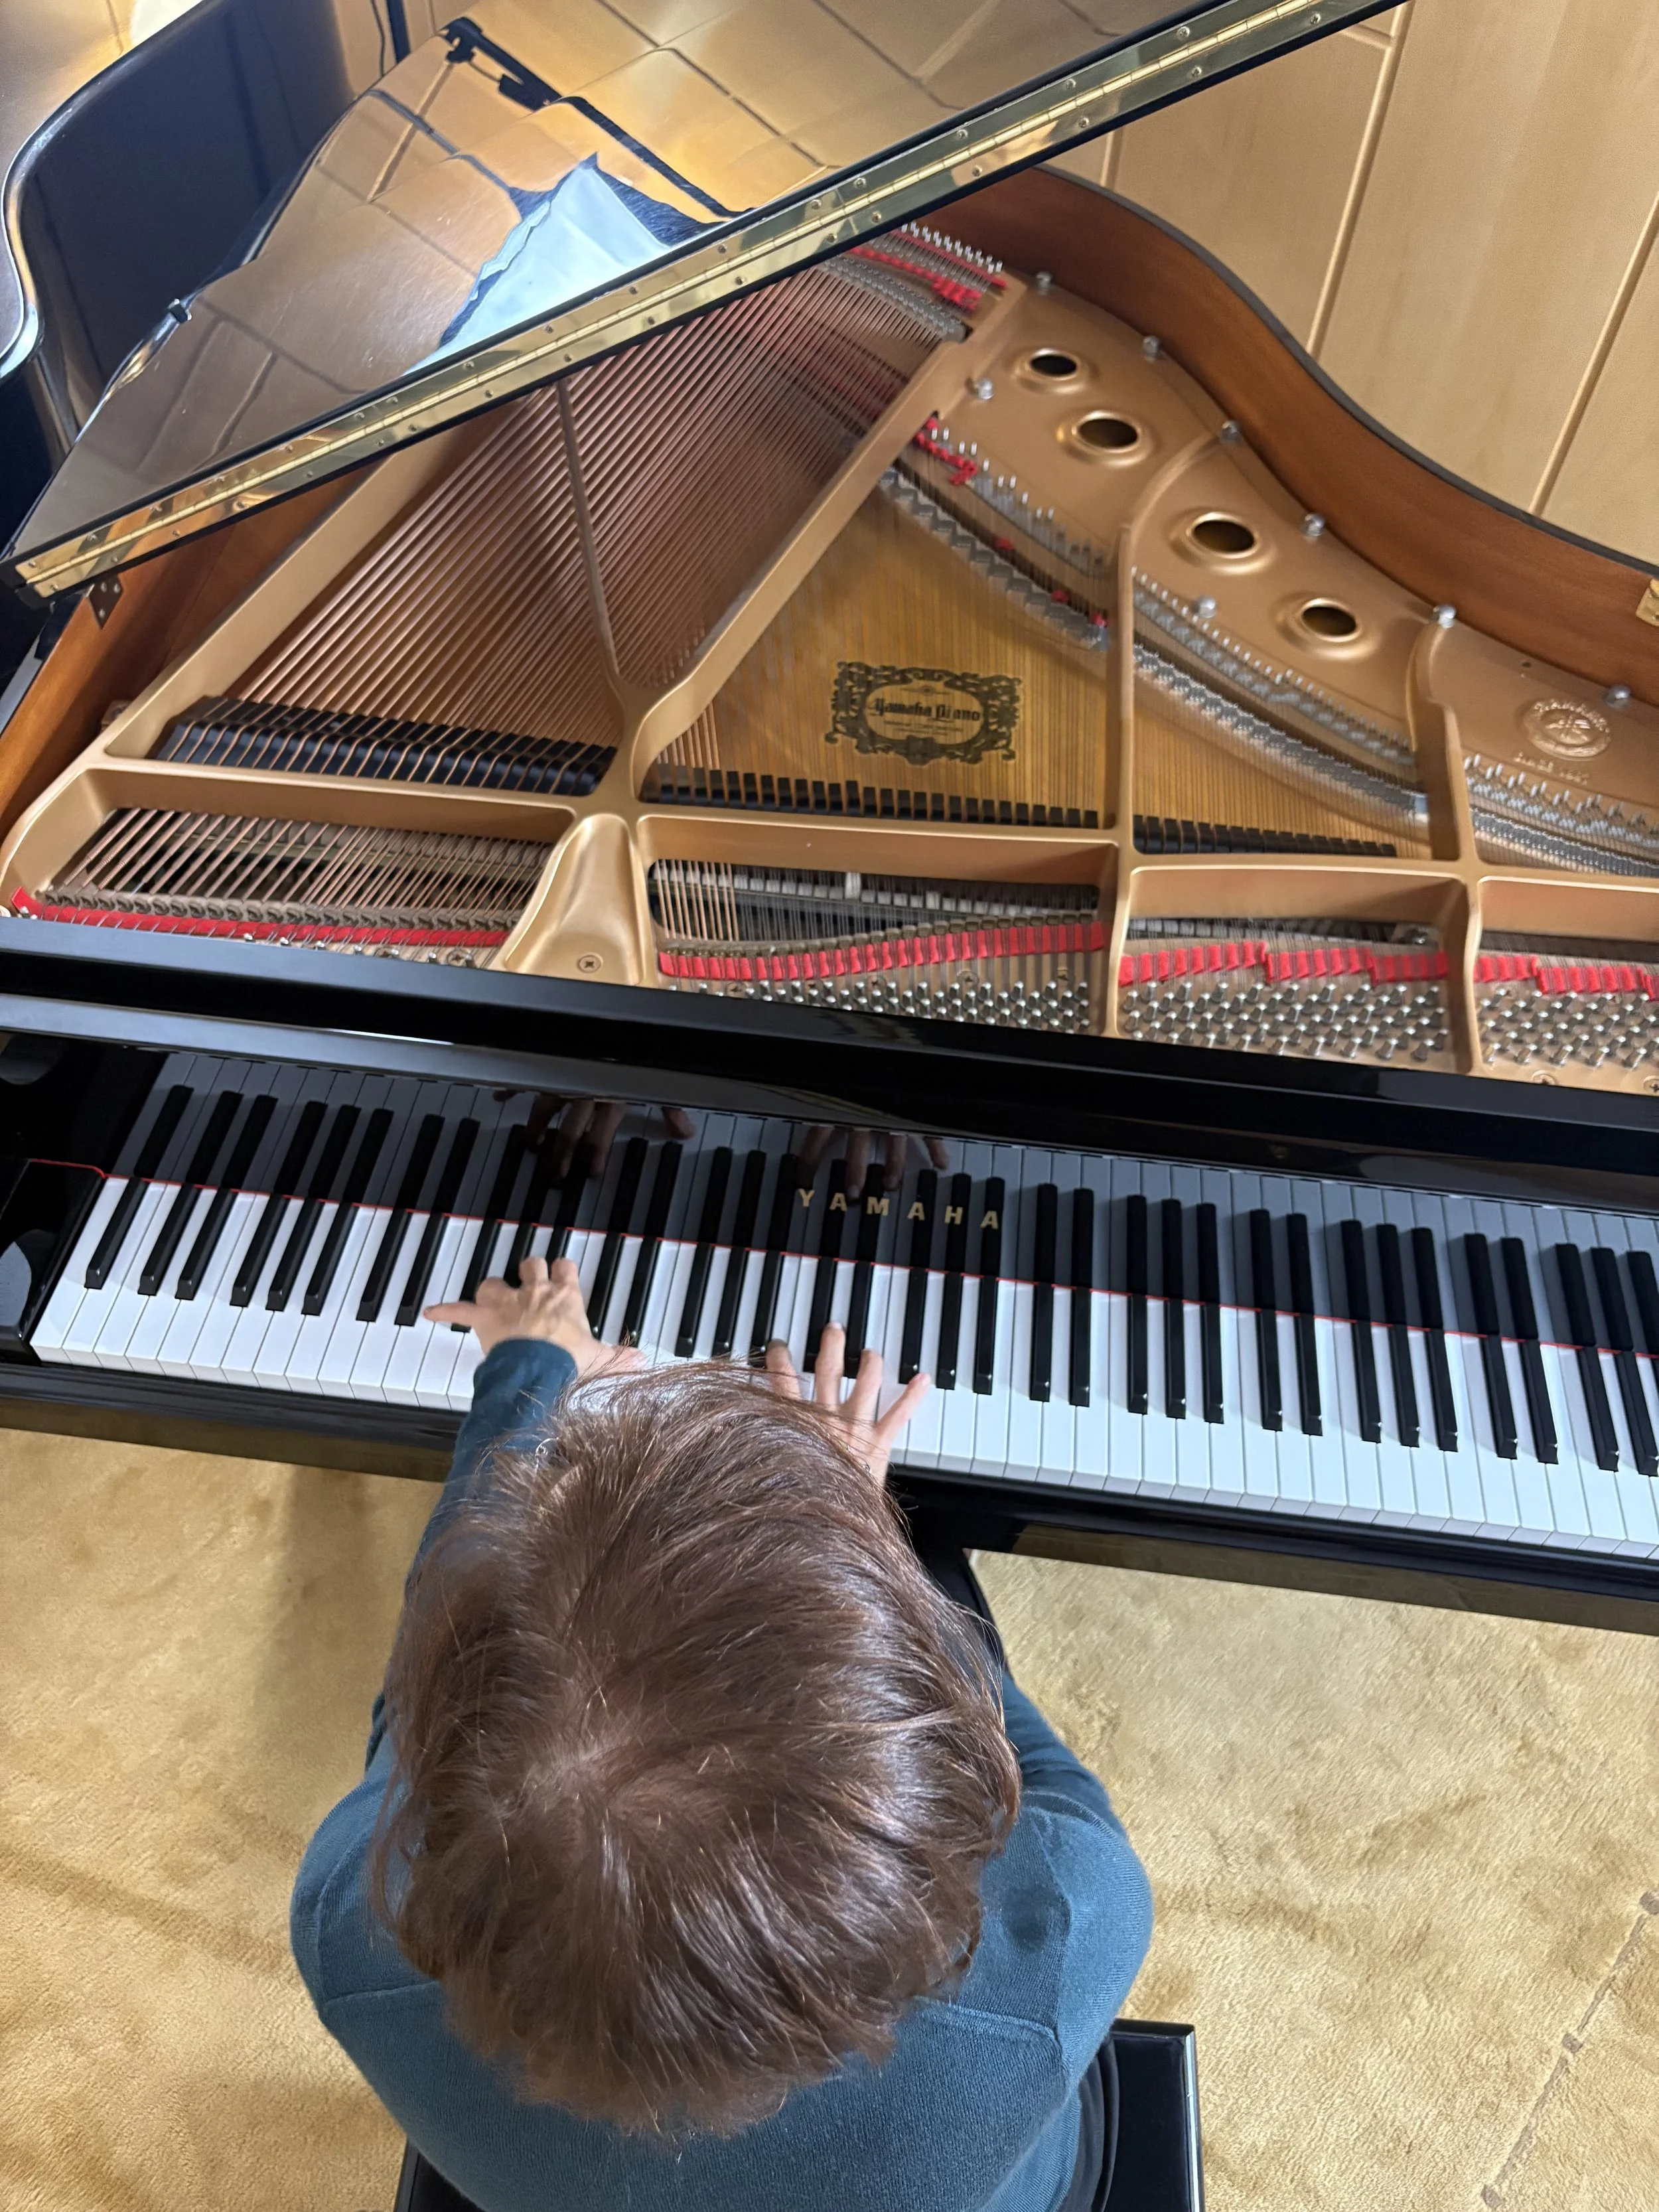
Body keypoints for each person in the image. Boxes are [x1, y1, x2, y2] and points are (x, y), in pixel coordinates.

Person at [292, 1252, 1153, 2212]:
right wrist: (854, 1523)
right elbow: (1036, 1775)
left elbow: (418, 1683)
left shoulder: (348, 1928)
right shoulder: (1068, 1935)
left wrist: (526, 1374)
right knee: (944, 1557)